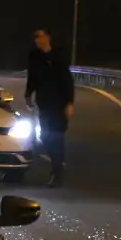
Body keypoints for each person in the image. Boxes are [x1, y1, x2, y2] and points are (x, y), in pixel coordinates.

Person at [24, 27, 74, 187]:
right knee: (45, 137)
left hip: (59, 104)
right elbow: (32, 77)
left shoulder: (58, 56)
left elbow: (67, 80)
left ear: (48, 37)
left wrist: (69, 103)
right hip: (43, 103)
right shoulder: (35, 57)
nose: (37, 39)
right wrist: (28, 95)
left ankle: (57, 172)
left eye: (40, 36)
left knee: (57, 137)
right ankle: (56, 165)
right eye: (35, 37)